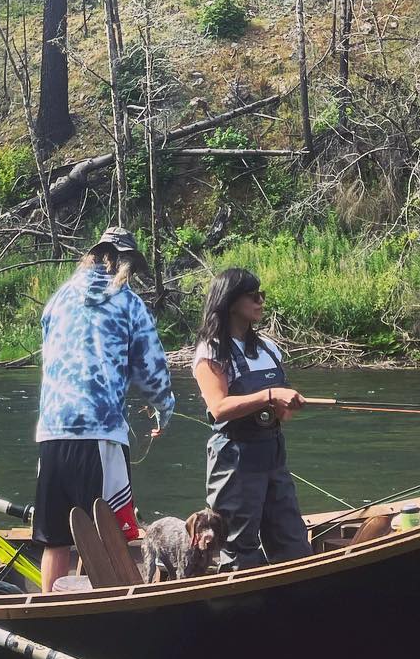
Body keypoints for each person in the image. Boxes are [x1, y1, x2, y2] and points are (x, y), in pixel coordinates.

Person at [33, 226, 173, 592]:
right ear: (124, 263)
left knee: (56, 538)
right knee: (106, 532)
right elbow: (152, 371)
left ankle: (49, 606)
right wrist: (164, 408)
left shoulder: (58, 300)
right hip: (99, 433)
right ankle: (102, 605)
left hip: (51, 432)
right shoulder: (127, 302)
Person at [191, 266, 310, 570]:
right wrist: (271, 395)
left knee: (293, 543)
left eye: (262, 295)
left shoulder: (269, 349)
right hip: (234, 460)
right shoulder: (212, 351)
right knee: (239, 549)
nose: (260, 301)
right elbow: (218, 408)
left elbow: (278, 411)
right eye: (253, 295)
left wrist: (287, 407)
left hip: (272, 455)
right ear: (231, 302)